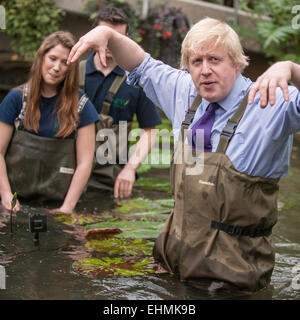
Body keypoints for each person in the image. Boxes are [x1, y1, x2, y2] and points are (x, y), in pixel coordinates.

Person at [67, 18, 300, 291]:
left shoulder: (272, 101)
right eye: (196, 61)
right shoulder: (185, 90)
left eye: (215, 59)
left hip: (233, 279)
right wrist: (108, 35)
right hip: (173, 265)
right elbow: (141, 64)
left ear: (237, 63)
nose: (205, 71)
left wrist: (291, 69)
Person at [0, 31, 99, 213]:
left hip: (58, 205)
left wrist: (67, 208)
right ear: (41, 58)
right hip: (14, 204)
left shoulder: (81, 105)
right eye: (52, 58)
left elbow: (85, 162)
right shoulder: (16, 98)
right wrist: (6, 196)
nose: (56, 67)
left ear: (71, 68)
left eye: (64, 63)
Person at [79, 6, 161, 199]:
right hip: (68, 171)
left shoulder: (136, 82)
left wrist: (130, 169)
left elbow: (151, 130)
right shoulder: (72, 72)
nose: (110, 44)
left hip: (109, 178)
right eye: (105, 36)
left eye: (117, 39)